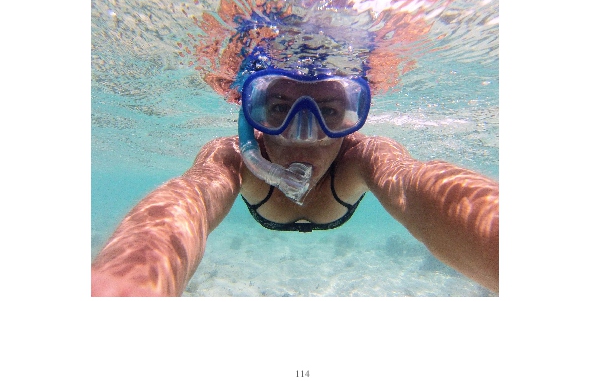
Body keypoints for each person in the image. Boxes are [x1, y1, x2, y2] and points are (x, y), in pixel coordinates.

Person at [91, 64, 499, 297]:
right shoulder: (234, 156)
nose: (303, 133)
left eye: (329, 111)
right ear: (251, 115)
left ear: (351, 117)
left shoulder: (363, 156)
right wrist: (126, 285)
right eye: (279, 108)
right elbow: (191, 196)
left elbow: (414, 184)